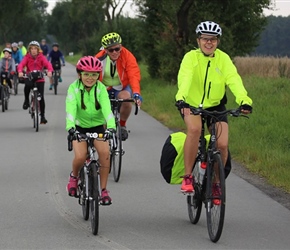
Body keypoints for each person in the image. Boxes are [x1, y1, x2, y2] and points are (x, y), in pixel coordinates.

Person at [175, 21, 253, 201]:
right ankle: (188, 177)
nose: (209, 43)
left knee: (223, 144)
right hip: (191, 104)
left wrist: (244, 101)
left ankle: (217, 184)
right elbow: (185, 78)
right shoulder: (190, 58)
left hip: (216, 106)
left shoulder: (223, 59)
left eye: (213, 39)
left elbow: (234, 80)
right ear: (198, 40)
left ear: (217, 41)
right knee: (194, 130)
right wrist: (181, 99)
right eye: (205, 39)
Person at [66, 56, 116, 205]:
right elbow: (70, 109)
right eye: (86, 74)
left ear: (98, 76)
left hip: (98, 127)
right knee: (81, 157)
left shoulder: (101, 88)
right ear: (79, 74)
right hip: (79, 127)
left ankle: (104, 191)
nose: (90, 78)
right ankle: (74, 177)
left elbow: (107, 110)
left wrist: (112, 127)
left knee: (105, 154)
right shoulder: (73, 88)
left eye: (94, 74)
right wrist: (70, 128)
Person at [95, 32, 142, 141]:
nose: (115, 52)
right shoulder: (99, 58)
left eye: (117, 49)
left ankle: (122, 125)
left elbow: (133, 74)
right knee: (103, 123)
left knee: (126, 99)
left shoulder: (127, 56)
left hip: (121, 87)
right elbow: (92, 77)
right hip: (104, 87)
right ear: (105, 50)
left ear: (121, 46)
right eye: (111, 50)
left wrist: (136, 92)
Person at [18, 41, 53, 124]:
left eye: (35, 49)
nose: (33, 50)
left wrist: (50, 71)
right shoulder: (27, 57)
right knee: (27, 86)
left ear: (38, 50)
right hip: (29, 77)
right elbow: (21, 65)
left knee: (41, 98)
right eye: (32, 49)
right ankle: (26, 100)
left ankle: (43, 117)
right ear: (29, 50)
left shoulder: (41, 57)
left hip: (39, 78)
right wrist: (20, 71)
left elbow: (48, 64)